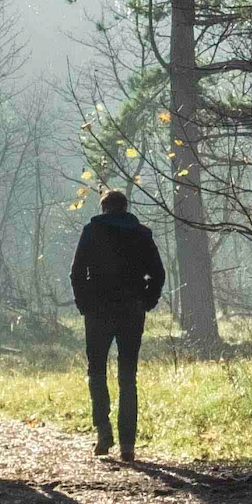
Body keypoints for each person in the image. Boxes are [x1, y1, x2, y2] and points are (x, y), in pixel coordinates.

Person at [68, 188, 163, 460]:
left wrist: (83, 303)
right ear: (125, 207)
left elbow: (76, 272)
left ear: (104, 208)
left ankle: (102, 430)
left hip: (98, 311)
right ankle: (128, 445)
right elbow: (158, 273)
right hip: (132, 311)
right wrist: (148, 299)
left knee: (96, 370)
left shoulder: (91, 231)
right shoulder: (142, 234)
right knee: (127, 376)